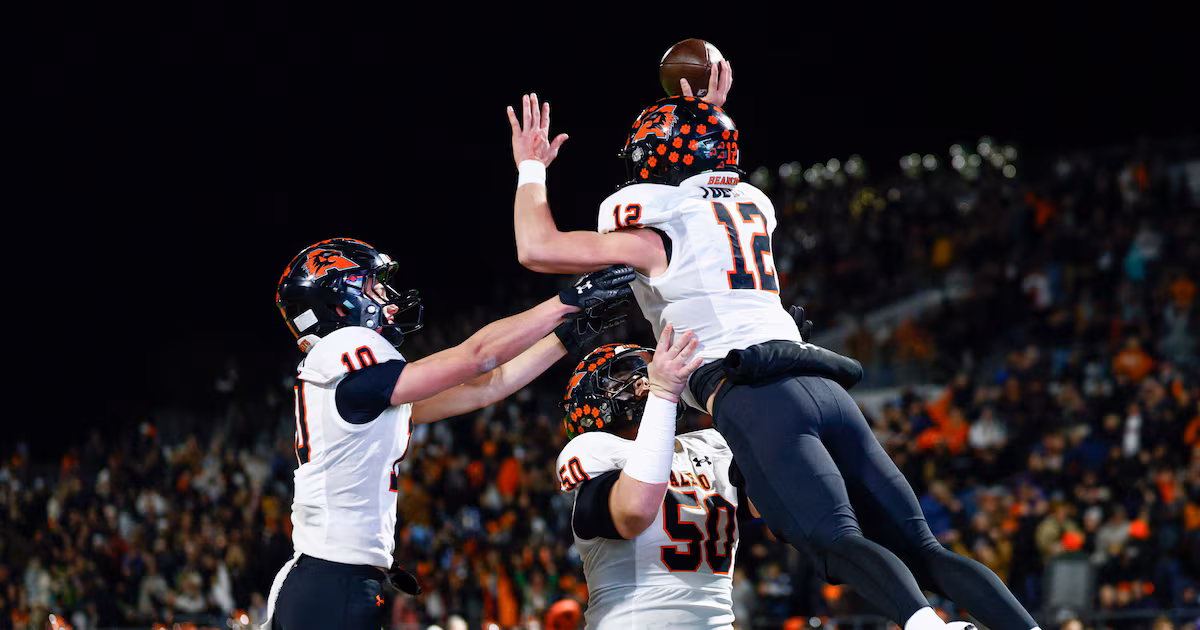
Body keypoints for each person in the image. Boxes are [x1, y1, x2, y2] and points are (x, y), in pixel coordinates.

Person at [504, 75, 1040, 630]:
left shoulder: (655, 236)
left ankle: (927, 628)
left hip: (755, 394)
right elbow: (707, 185)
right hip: (820, 379)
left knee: (836, 542)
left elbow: (537, 247)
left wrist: (531, 168)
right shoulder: (746, 207)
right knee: (926, 549)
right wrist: (707, 116)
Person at [263, 238, 635, 630]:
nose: (385, 297)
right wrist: (567, 301)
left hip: (326, 579)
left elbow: (487, 386)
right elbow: (475, 358)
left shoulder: (352, 388)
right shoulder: (346, 349)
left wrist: (568, 337)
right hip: (333, 581)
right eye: (371, 285)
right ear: (339, 302)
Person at [556, 326, 741, 629]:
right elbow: (634, 512)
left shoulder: (710, 444)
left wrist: (768, 395)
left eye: (644, 369)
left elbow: (777, 510)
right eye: (623, 373)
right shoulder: (593, 447)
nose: (642, 378)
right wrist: (663, 396)